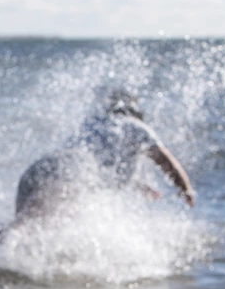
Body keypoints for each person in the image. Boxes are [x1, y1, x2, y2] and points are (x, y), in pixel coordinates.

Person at [15, 89, 195, 219]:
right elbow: (167, 162)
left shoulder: (93, 124)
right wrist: (185, 190)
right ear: (136, 113)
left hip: (40, 169)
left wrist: (137, 185)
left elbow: (100, 166)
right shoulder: (137, 127)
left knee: (23, 229)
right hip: (69, 175)